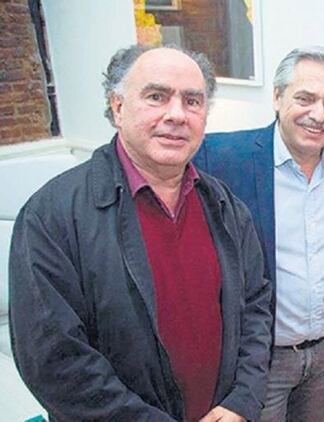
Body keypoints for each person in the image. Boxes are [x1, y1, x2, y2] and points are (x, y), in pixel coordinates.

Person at [9, 45, 273, 422]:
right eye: (156, 97)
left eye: (193, 101)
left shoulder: (225, 206)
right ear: (117, 107)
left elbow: (256, 306)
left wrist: (242, 400)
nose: (177, 115)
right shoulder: (51, 215)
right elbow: (54, 359)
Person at [193, 46, 324, 422]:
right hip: (258, 361)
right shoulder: (221, 158)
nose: (318, 115)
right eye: (305, 98)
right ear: (277, 97)